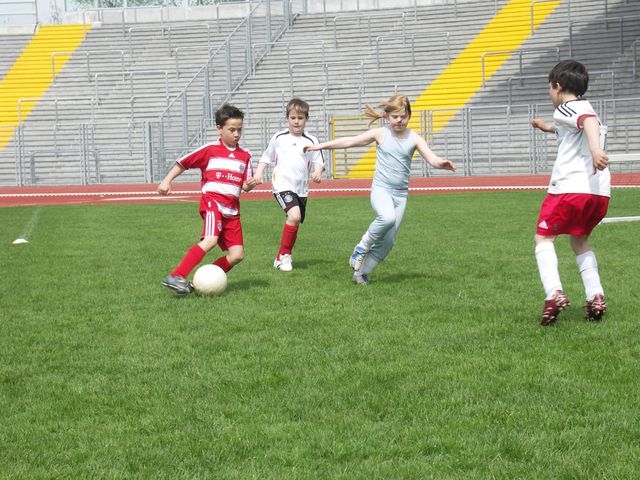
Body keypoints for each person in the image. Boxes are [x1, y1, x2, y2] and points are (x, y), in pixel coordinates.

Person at [304, 95, 456, 285]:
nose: (399, 120)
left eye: (403, 116)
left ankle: (360, 274)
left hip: (400, 196)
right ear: (387, 117)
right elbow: (350, 141)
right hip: (381, 189)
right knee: (387, 217)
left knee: (388, 242)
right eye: (395, 116)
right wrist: (320, 146)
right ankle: (361, 247)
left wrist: (441, 163)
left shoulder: (414, 138)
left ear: (409, 116)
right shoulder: (380, 134)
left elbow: (432, 158)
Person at [530, 59, 610, 326]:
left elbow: (587, 123)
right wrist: (546, 127)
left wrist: (596, 150)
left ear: (557, 86)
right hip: (598, 192)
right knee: (579, 241)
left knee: (543, 238)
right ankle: (596, 296)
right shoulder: (584, 107)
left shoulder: (566, 108)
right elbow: (578, 124)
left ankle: (554, 293)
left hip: (569, 188)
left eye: (549, 89)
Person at [157, 103, 260, 294]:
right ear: (219, 129)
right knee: (211, 239)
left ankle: (200, 283)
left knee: (237, 255)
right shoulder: (210, 150)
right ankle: (176, 275)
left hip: (232, 211)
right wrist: (167, 180)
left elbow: (244, 186)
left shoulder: (245, 156)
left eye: (239, 129)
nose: (236, 134)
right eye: (231, 130)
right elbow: (183, 163)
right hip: (213, 203)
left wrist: (250, 184)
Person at [252, 98, 325, 272]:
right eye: (293, 118)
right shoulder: (279, 138)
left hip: (301, 188)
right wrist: (258, 173)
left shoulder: (312, 140)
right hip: (281, 184)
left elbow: (319, 161)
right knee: (294, 216)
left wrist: (317, 172)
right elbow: (266, 156)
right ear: (287, 118)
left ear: (306, 119)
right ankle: (285, 256)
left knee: (295, 220)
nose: (296, 121)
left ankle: (280, 257)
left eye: (300, 118)